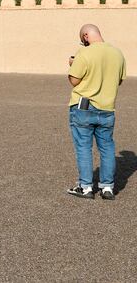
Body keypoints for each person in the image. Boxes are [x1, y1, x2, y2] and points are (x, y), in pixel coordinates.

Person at [66, 24, 126, 200]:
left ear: (85, 36)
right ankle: (107, 187)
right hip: (107, 108)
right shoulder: (118, 54)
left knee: (84, 147)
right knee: (107, 147)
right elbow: (119, 81)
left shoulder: (83, 53)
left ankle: (85, 187)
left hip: (83, 106)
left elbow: (74, 80)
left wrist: (72, 64)